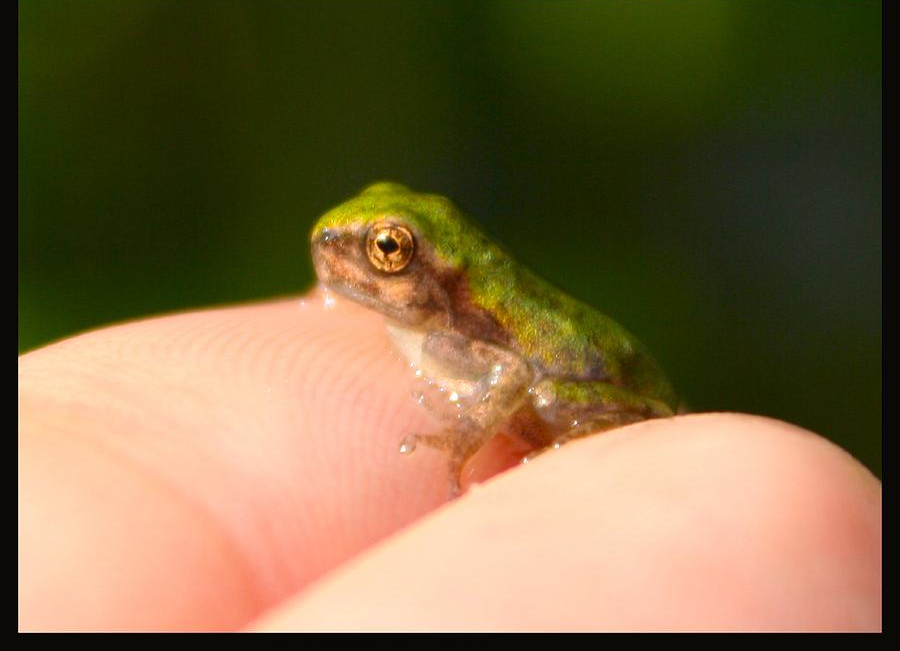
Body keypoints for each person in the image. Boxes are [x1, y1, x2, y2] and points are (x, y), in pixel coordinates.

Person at [18, 298, 882, 631]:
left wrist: (466, 437)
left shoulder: (483, 323)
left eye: (390, 255)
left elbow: (509, 373)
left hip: (601, 394)